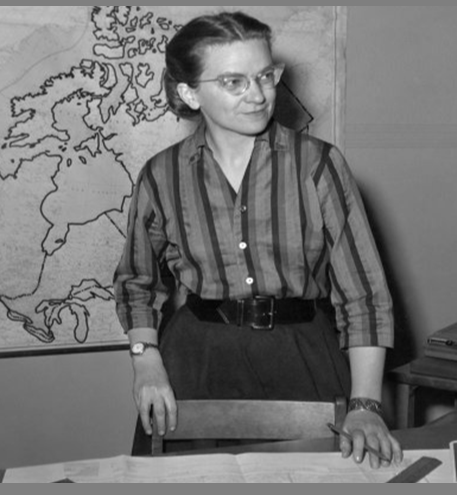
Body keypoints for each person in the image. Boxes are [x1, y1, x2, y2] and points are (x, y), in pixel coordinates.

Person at [113, 11, 401, 467]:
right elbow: (136, 282)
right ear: (189, 92)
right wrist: (145, 360)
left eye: (265, 76)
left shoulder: (318, 164)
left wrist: (365, 406)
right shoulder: (161, 175)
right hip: (197, 361)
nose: (259, 95)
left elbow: (364, 295)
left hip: (302, 356)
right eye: (234, 82)